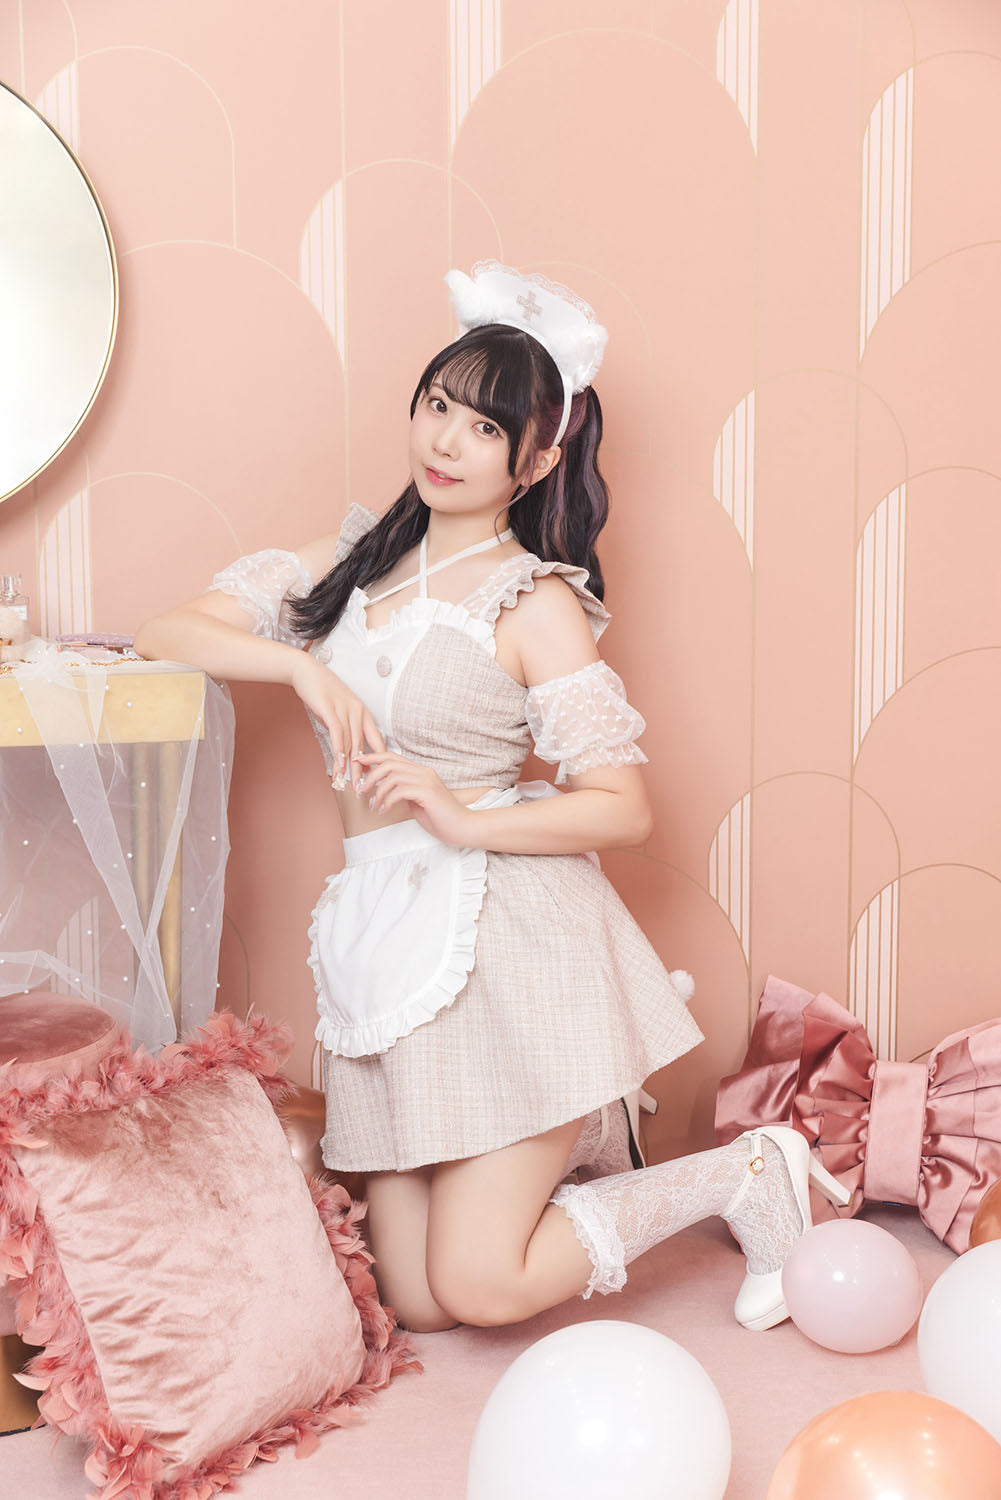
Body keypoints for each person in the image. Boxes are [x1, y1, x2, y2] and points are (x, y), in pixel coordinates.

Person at [134, 260, 849, 1336]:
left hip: (503, 938)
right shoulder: (349, 562)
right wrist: (299, 670)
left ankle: (743, 1171)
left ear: (537, 460)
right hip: (381, 933)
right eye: (437, 406)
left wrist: (465, 817)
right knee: (422, 1305)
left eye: (482, 428)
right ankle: (579, 1157)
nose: (445, 442)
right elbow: (167, 632)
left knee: (478, 1284)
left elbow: (621, 805)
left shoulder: (534, 600)